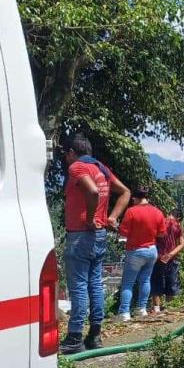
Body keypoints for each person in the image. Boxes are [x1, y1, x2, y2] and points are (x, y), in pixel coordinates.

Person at [59, 133, 130, 355]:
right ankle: (95, 335)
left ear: (72, 152)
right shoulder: (102, 168)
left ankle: (74, 337)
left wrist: (89, 217)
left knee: (79, 286)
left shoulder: (77, 168)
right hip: (99, 235)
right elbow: (125, 192)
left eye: (66, 154)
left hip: (81, 234)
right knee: (95, 284)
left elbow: (92, 191)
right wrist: (112, 217)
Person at [117, 187, 166, 321]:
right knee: (145, 280)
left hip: (135, 251)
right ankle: (141, 309)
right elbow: (162, 233)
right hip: (152, 250)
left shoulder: (131, 211)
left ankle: (124, 312)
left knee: (128, 282)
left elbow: (123, 232)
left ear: (134, 199)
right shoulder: (157, 212)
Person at [151, 209, 184, 313]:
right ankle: (169, 307)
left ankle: (156, 308)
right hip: (171, 259)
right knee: (171, 283)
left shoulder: (159, 222)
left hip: (157, 257)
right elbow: (183, 244)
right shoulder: (177, 226)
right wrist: (170, 254)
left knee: (156, 282)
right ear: (179, 218)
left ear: (169, 214)